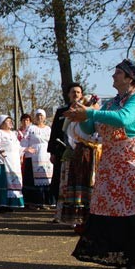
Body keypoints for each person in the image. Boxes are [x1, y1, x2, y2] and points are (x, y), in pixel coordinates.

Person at [67, 59, 135, 269]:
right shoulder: (112, 102)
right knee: (112, 207)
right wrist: (82, 116)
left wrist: (91, 113)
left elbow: (124, 119)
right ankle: (119, 257)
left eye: (118, 73)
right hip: (114, 161)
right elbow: (91, 126)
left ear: (130, 78)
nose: (113, 76)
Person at [57, 103, 101, 228]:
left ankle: (90, 217)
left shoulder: (93, 120)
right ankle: (79, 217)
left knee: (90, 182)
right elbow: (72, 139)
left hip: (93, 152)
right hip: (83, 153)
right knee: (81, 182)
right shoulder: (75, 123)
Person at [48, 84, 84, 215]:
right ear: (68, 94)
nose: (76, 94)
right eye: (73, 92)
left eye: (78, 92)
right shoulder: (61, 111)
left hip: (81, 151)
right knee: (60, 180)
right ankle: (59, 210)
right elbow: (54, 132)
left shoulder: (86, 111)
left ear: (82, 95)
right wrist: (52, 151)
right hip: (62, 149)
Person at [0, 115, 25, 210]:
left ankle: (11, 203)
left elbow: (17, 147)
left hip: (13, 161)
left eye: (11, 121)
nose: (11, 122)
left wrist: (24, 150)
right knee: (2, 181)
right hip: (2, 161)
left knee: (13, 181)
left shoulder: (13, 134)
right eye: (8, 121)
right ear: (1, 123)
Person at [21, 109, 54, 209]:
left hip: (46, 156)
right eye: (38, 115)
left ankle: (45, 202)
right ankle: (32, 202)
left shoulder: (48, 129)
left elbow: (51, 141)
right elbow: (24, 141)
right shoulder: (31, 128)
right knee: (32, 179)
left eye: (41, 116)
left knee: (46, 178)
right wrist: (26, 150)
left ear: (44, 117)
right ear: (35, 117)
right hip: (33, 156)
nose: (40, 117)